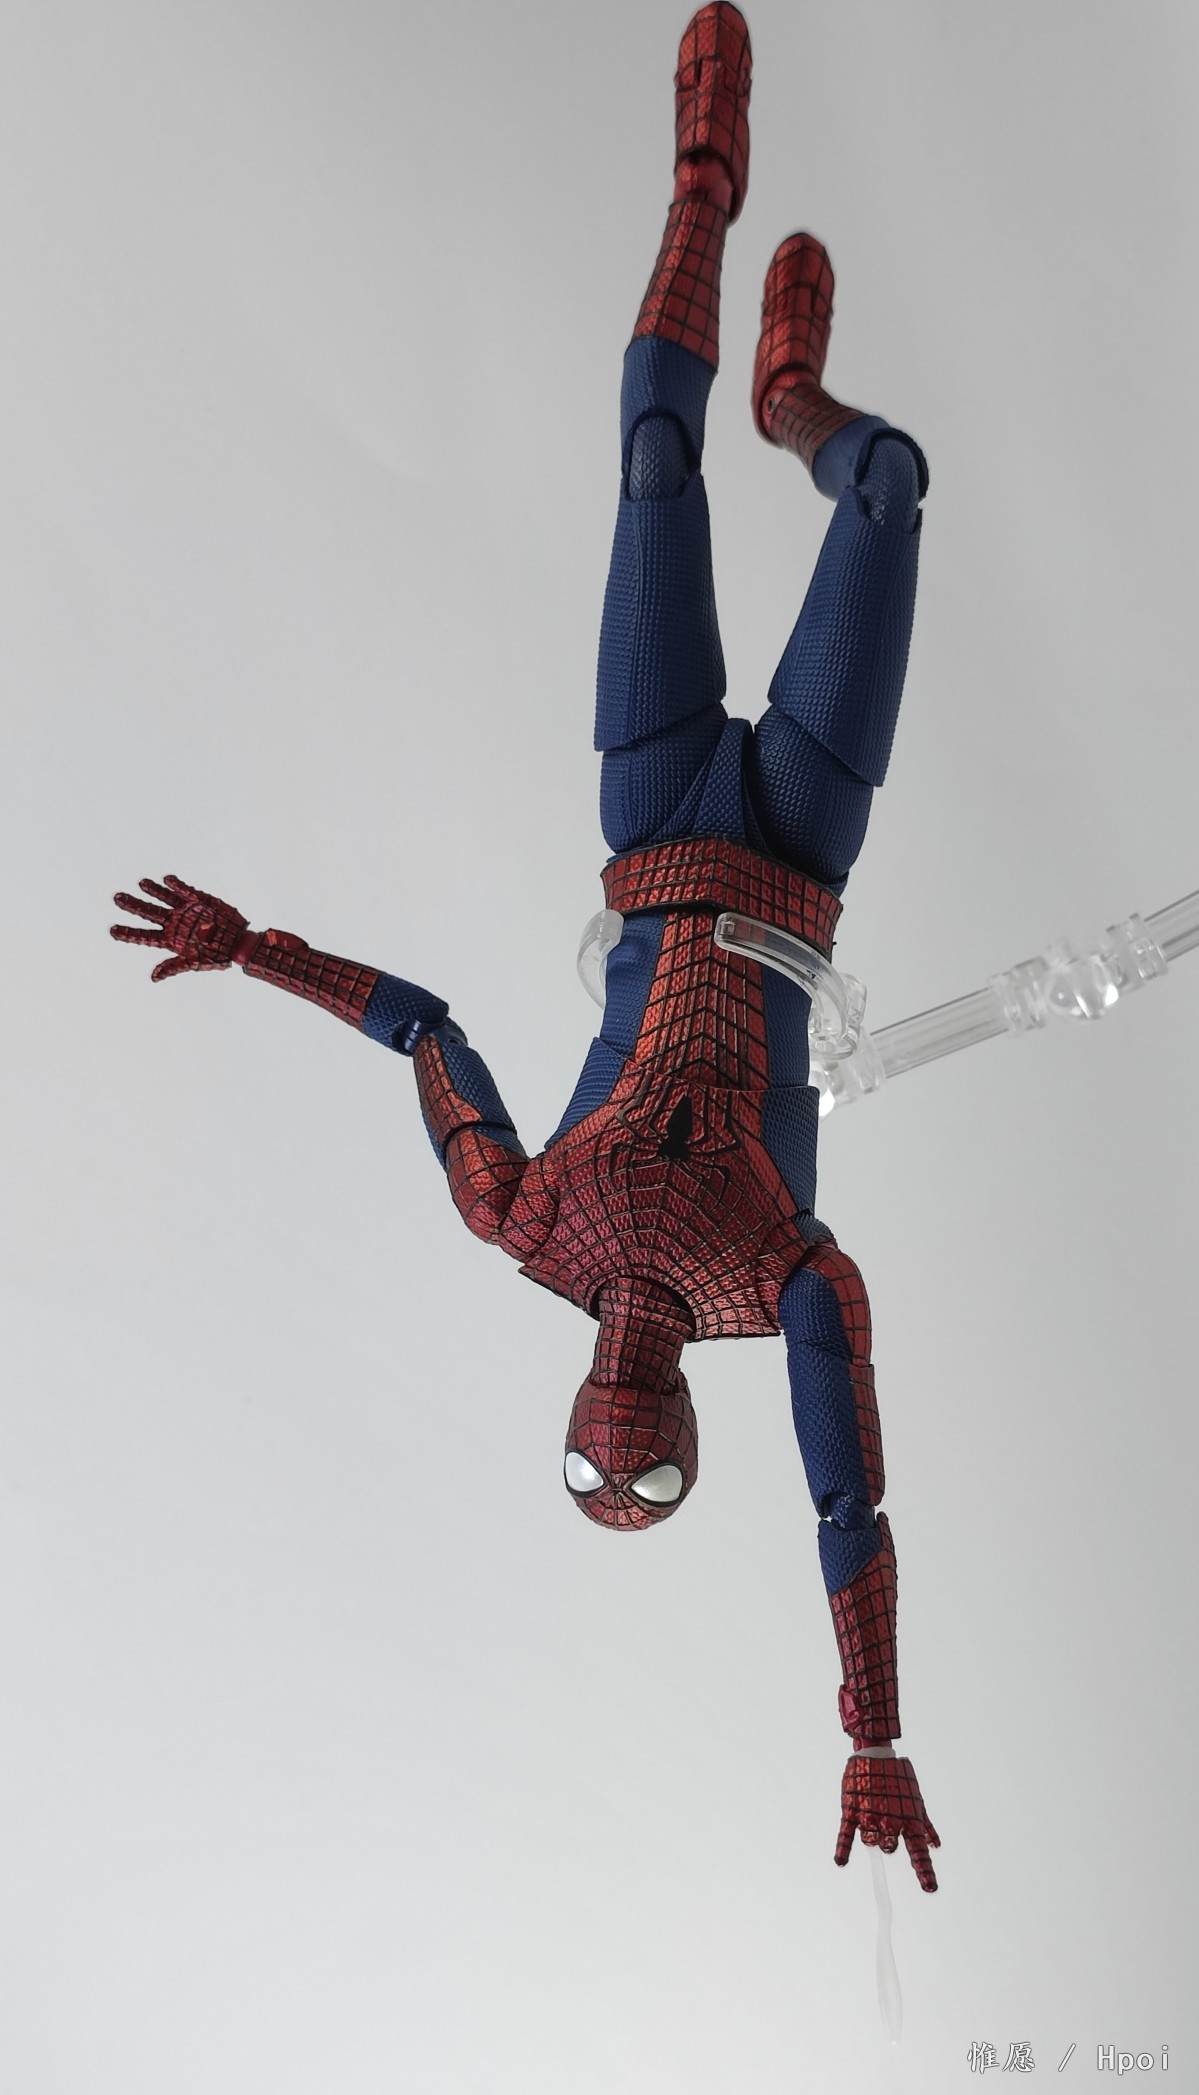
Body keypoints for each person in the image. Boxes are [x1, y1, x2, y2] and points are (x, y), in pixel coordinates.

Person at [112, 4, 939, 1890]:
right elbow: (851, 1499)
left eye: (591, 1471)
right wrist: (873, 1731)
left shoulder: (527, 1217)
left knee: (651, 463)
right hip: (801, 857)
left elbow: (424, 1030)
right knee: (891, 490)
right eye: (652, 1481)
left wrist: (253, 949)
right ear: (686, 1444)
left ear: (567, 1419)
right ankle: (807, 414)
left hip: (655, 820)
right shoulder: (785, 1288)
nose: (622, 1455)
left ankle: (701, 187)